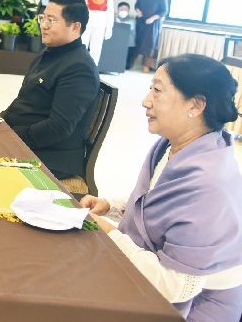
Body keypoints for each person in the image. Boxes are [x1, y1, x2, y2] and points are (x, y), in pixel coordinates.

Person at [82, 54, 242, 320]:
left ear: (195, 105)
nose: (146, 101)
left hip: (195, 307)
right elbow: (159, 203)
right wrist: (113, 205)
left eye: (157, 90)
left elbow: (176, 287)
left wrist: (111, 235)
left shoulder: (210, 184)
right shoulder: (174, 145)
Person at [0, 0, 99, 181]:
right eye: (43, 18)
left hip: (50, 157)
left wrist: (11, 137)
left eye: (51, 20)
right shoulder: (50, 52)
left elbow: (58, 128)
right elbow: (24, 101)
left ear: (75, 27)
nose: (43, 25)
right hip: (25, 141)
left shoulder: (79, 68)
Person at [81, 0, 114, 65]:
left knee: (96, 49)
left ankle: (93, 68)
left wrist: (109, 27)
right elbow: (81, 5)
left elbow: (110, 9)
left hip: (101, 23)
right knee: (82, 46)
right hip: (87, 21)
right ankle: (80, 66)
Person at [134, 0, 167, 72]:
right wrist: (138, 10)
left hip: (153, 24)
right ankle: (131, 62)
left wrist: (153, 18)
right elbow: (136, 5)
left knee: (150, 45)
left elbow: (163, 11)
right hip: (141, 21)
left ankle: (146, 65)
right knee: (138, 42)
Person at [116, 1, 136, 70]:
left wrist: (120, 23)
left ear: (128, 10)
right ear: (118, 10)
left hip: (128, 44)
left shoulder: (132, 19)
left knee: (126, 66)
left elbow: (129, 26)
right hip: (116, 43)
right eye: (121, 9)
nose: (123, 11)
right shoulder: (113, 18)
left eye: (125, 9)